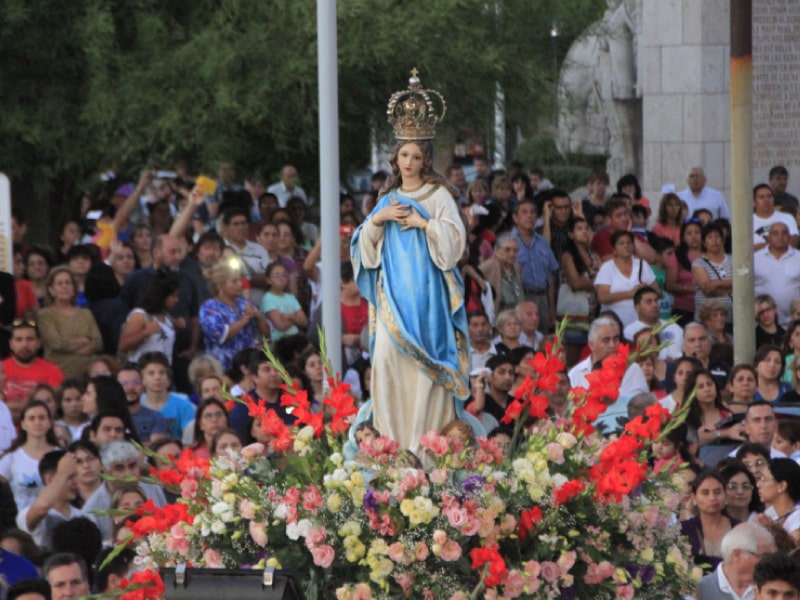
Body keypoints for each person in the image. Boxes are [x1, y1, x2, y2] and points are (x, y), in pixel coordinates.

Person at [350, 72, 474, 455]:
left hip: (428, 300)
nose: (408, 162)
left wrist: (424, 223)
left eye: (416, 156)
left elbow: (454, 244)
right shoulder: (385, 198)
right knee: (386, 360)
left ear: (425, 159)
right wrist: (377, 221)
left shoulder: (438, 195)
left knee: (426, 377)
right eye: (403, 155)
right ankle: (392, 451)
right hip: (392, 299)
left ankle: (426, 452)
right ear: (395, 158)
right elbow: (363, 250)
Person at [568, 316, 648, 430]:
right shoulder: (576, 374)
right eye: (606, 340)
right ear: (591, 345)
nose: (612, 345)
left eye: (615, 339)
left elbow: (646, 408)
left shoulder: (634, 370)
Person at [199, 259, 271, 372]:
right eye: (234, 281)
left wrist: (259, 316)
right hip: (223, 367)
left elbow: (266, 334)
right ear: (221, 285)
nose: (240, 284)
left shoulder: (244, 303)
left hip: (249, 366)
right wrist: (244, 319)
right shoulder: (209, 308)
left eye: (240, 281)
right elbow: (220, 336)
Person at [35, 266, 102, 380]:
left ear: (74, 288)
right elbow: (55, 343)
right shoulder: (45, 315)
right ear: (51, 289)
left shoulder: (86, 313)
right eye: (60, 283)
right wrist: (83, 341)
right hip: (58, 373)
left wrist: (68, 346)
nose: (64, 286)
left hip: (87, 374)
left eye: (68, 282)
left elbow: (98, 342)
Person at [16, 450, 83, 552]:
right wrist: (63, 472)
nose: (75, 482)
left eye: (76, 476)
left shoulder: (83, 516)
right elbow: (42, 507)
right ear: (50, 480)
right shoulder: (26, 514)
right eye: (70, 477)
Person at [0, 400, 59, 510]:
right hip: (24, 523)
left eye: (42, 418)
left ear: (50, 422)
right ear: (23, 424)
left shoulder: (61, 456)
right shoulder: (11, 459)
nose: (37, 422)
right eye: (31, 418)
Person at [695, 521, 774, 600]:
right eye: (764, 557)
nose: (769, 563)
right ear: (737, 555)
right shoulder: (700, 589)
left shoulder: (773, 590)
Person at [512, 199, 559, 331]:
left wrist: (551, 308)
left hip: (542, 298)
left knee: (541, 340)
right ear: (515, 218)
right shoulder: (508, 242)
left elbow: (550, 277)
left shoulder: (542, 242)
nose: (530, 215)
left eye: (533, 212)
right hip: (520, 298)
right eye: (525, 212)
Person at [594, 230, 657, 327]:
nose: (626, 246)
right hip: (613, 325)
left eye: (629, 243)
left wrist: (646, 290)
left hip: (640, 325)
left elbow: (658, 293)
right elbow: (602, 297)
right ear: (614, 249)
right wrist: (630, 294)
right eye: (621, 243)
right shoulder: (607, 268)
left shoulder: (642, 265)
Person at [118, 268, 180, 365]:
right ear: (162, 295)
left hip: (164, 369)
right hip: (141, 369)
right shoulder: (140, 315)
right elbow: (123, 346)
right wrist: (145, 333)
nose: (177, 300)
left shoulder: (166, 317)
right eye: (173, 296)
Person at [681, 472, 739, 573]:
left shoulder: (739, 528)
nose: (712, 498)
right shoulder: (683, 530)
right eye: (705, 493)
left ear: (725, 495)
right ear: (694, 498)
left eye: (717, 492)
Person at [754, 222, 800, 326]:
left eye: (784, 233)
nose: (780, 237)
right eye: (775, 233)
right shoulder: (755, 259)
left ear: (789, 237)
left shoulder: (799, 257)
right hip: (763, 323)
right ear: (769, 237)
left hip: (794, 322)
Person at [624, 286, 683, 360]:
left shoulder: (673, 327)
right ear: (637, 308)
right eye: (649, 302)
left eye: (656, 301)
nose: (654, 305)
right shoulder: (630, 331)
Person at [260, 261, 307, 342]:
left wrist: (291, 316)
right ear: (268, 280)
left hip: (295, 338)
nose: (281, 278)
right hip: (279, 341)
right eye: (276, 275)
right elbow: (281, 326)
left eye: (284, 275)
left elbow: (304, 321)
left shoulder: (290, 297)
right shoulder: (268, 299)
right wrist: (295, 318)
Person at [479, 232, 523, 317]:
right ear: (496, 250)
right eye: (507, 249)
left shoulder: (516, 268)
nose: (512, 253)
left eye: (515, 250)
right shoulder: (487, 268)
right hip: (498, 318)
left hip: (516, 318)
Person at [757, 458, 800, 540]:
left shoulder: (797, 518)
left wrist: (772, 529)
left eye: (764, 480)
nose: (758, 485)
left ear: (782, 486)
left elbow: (792, 550)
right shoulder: (769, 515)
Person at [753, 183, 799, 249]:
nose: (766, 200)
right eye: (761, 197)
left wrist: (764, 246)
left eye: (769, 196)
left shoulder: (787, 218)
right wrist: (779, 245)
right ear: (754, 202)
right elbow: (747, 249)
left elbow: (794, 242)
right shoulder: (747, 222)